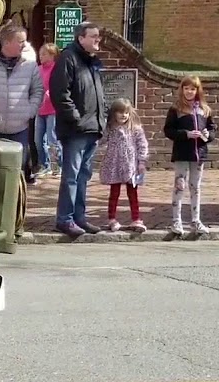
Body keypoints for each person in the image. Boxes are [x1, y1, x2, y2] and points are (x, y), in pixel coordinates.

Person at [49, 22, 108, 238]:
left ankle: (79, 217)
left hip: (92, 128)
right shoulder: (68, 58)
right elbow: (60, 93)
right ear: (80, 38)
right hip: (76, 130)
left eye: (98, 37)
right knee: (71, 176)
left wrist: (102, 118)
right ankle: (65, 219)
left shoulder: (91, 62)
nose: (97, 40)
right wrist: (75, 119)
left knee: (83, 175)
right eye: (93, 36)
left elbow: (97, 94)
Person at [0, 22, 44, 184]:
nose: (25, 45)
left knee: (15, 175)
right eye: (21, 41)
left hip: (19, 129)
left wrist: (30, 110)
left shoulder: (30, 65)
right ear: (6, 42)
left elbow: (38, 90)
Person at [163, 76, 216, 235]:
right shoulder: (176, 109)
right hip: (182, 153)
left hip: (199, 155)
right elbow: (169, 130)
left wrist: (208, 134)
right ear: (182, 90)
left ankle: (195, 220)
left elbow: (212, 129)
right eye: (186, 88)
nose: (189, 92)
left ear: (197, 90)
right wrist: (186, 134)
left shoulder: (204, 109)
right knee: (180, 186)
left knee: (196, 187)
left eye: (192, 89)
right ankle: (176, 221)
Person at [98, 98, 148, 232]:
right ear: (114, 113)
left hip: (131, 166)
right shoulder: (110, 128)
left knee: (133, 193)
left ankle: (136, 219)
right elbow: (100, 140)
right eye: (120, 112)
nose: (123, 115)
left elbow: (142, 145)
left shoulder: (135, 128)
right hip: (114, 164)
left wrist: (141, 162)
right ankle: (112, 219)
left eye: (126, 112)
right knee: (114, 193)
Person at [34, 43, 60, 177]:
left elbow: (60, 86)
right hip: (40, 109)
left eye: (44, 54)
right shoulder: (38, 69)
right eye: (40, 54)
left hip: (53, 110)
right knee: (38, 140)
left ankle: (56, 167)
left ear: (52, 55)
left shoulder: (57, 69)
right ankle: (43, 165)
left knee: (52, 139)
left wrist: (50, 93)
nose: (41, 56)